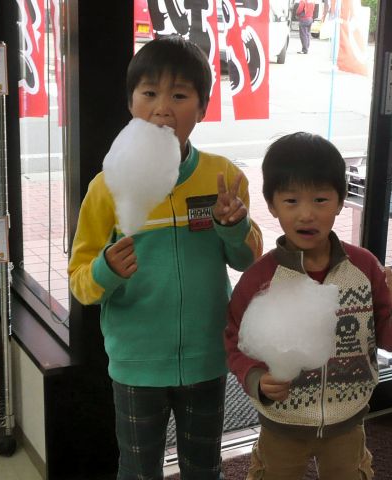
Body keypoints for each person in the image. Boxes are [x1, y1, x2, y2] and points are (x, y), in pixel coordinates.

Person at [68, 35, 263, 480]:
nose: (162, 108)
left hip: (206, 355)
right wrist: (106, 270)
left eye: (179, 96)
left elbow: (247, 259)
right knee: (138, 470)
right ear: (130, 103)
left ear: (203, 108)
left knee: (204, 467)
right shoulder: (107, 187)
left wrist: (233, 226)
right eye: (149, 93)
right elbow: (80, 281)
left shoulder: (222, 177)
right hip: (136, 362)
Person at [225, 132, 392, 479]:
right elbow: (233, 340)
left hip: (347, 419)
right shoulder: (260, 278)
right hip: (282, 422)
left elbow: (389, 340)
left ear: (340, 201)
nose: (307, 214)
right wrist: (255, 377)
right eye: (291, 201)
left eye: (320, 199)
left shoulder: (363, 269)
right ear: (271, 205)